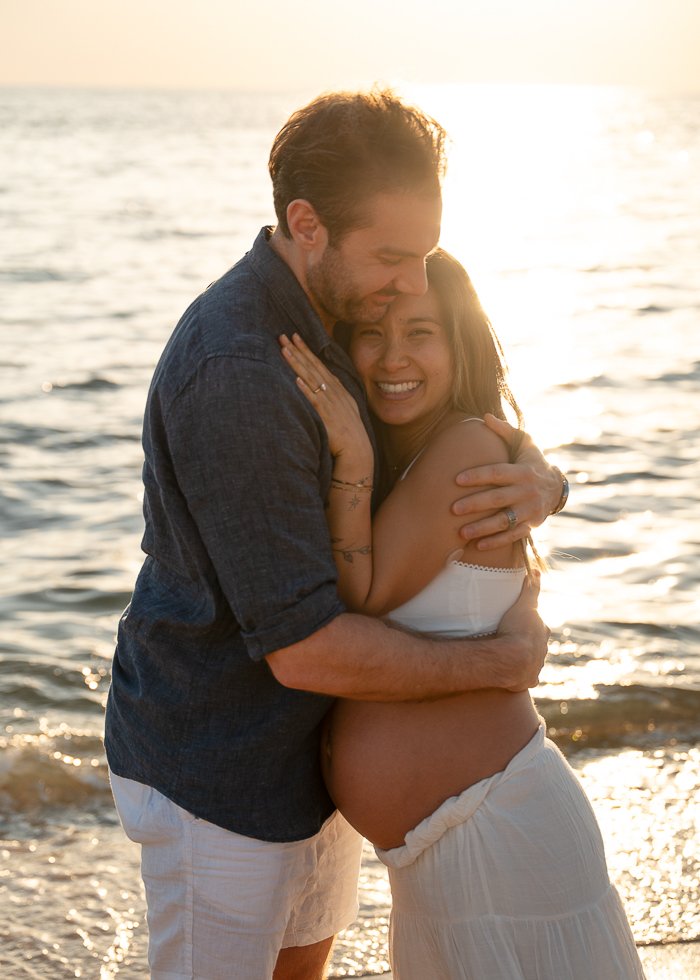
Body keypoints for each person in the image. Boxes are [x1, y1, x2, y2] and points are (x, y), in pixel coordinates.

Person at [104, 90, 564, 980]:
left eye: (422, 255)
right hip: (221, 777)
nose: (410, 281)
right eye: (393, 257)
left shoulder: (342, 312)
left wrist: (541, 479)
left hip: (302, 773)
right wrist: (501, 664)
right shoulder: (242, 372)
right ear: (305, 223)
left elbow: (449, 410)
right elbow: (306, 650)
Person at [280, 248, 646, 979]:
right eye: (373, 333)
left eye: (422, 332)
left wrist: (351, 452)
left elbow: (363, 600)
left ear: (461, 342)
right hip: (459, 858)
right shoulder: (430, 455)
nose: (393, 357)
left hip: (498, 845)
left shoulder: (466, 447)